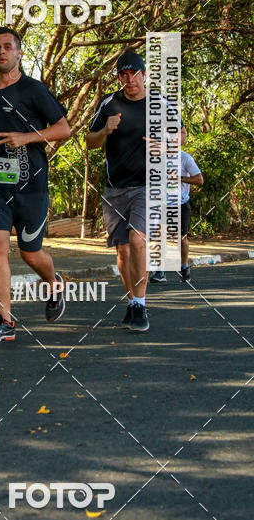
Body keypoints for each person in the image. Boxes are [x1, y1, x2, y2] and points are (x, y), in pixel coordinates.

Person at [0, 27, 71, 342]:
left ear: (19, 52)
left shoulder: (34, 90)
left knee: (30, 254)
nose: (2, 52)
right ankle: (5, 321)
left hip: (31, 184)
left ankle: (54, 282)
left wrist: (26, 137)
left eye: (8, 47)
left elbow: (63, 129)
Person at [86, 50, 151, 332]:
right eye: (124, 75)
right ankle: (133, 302)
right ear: (119, 78)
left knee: (138, 241)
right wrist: (105, 132)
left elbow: (181, 133)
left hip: (147, 186)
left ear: (144, 74)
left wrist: (169, 142)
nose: (130, 80)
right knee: (122, 251)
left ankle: (141, 303)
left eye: (135, 74)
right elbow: (89, 141)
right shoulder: (109, 103)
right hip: (115, 189)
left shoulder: (159, 104)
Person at [149, 125, 203, 283]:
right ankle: (160, 272)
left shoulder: (185, 158)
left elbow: (199, 180)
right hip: (163, 203)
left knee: (181, 238)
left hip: (181, 203)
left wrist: (179, 178)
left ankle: (184, 266)